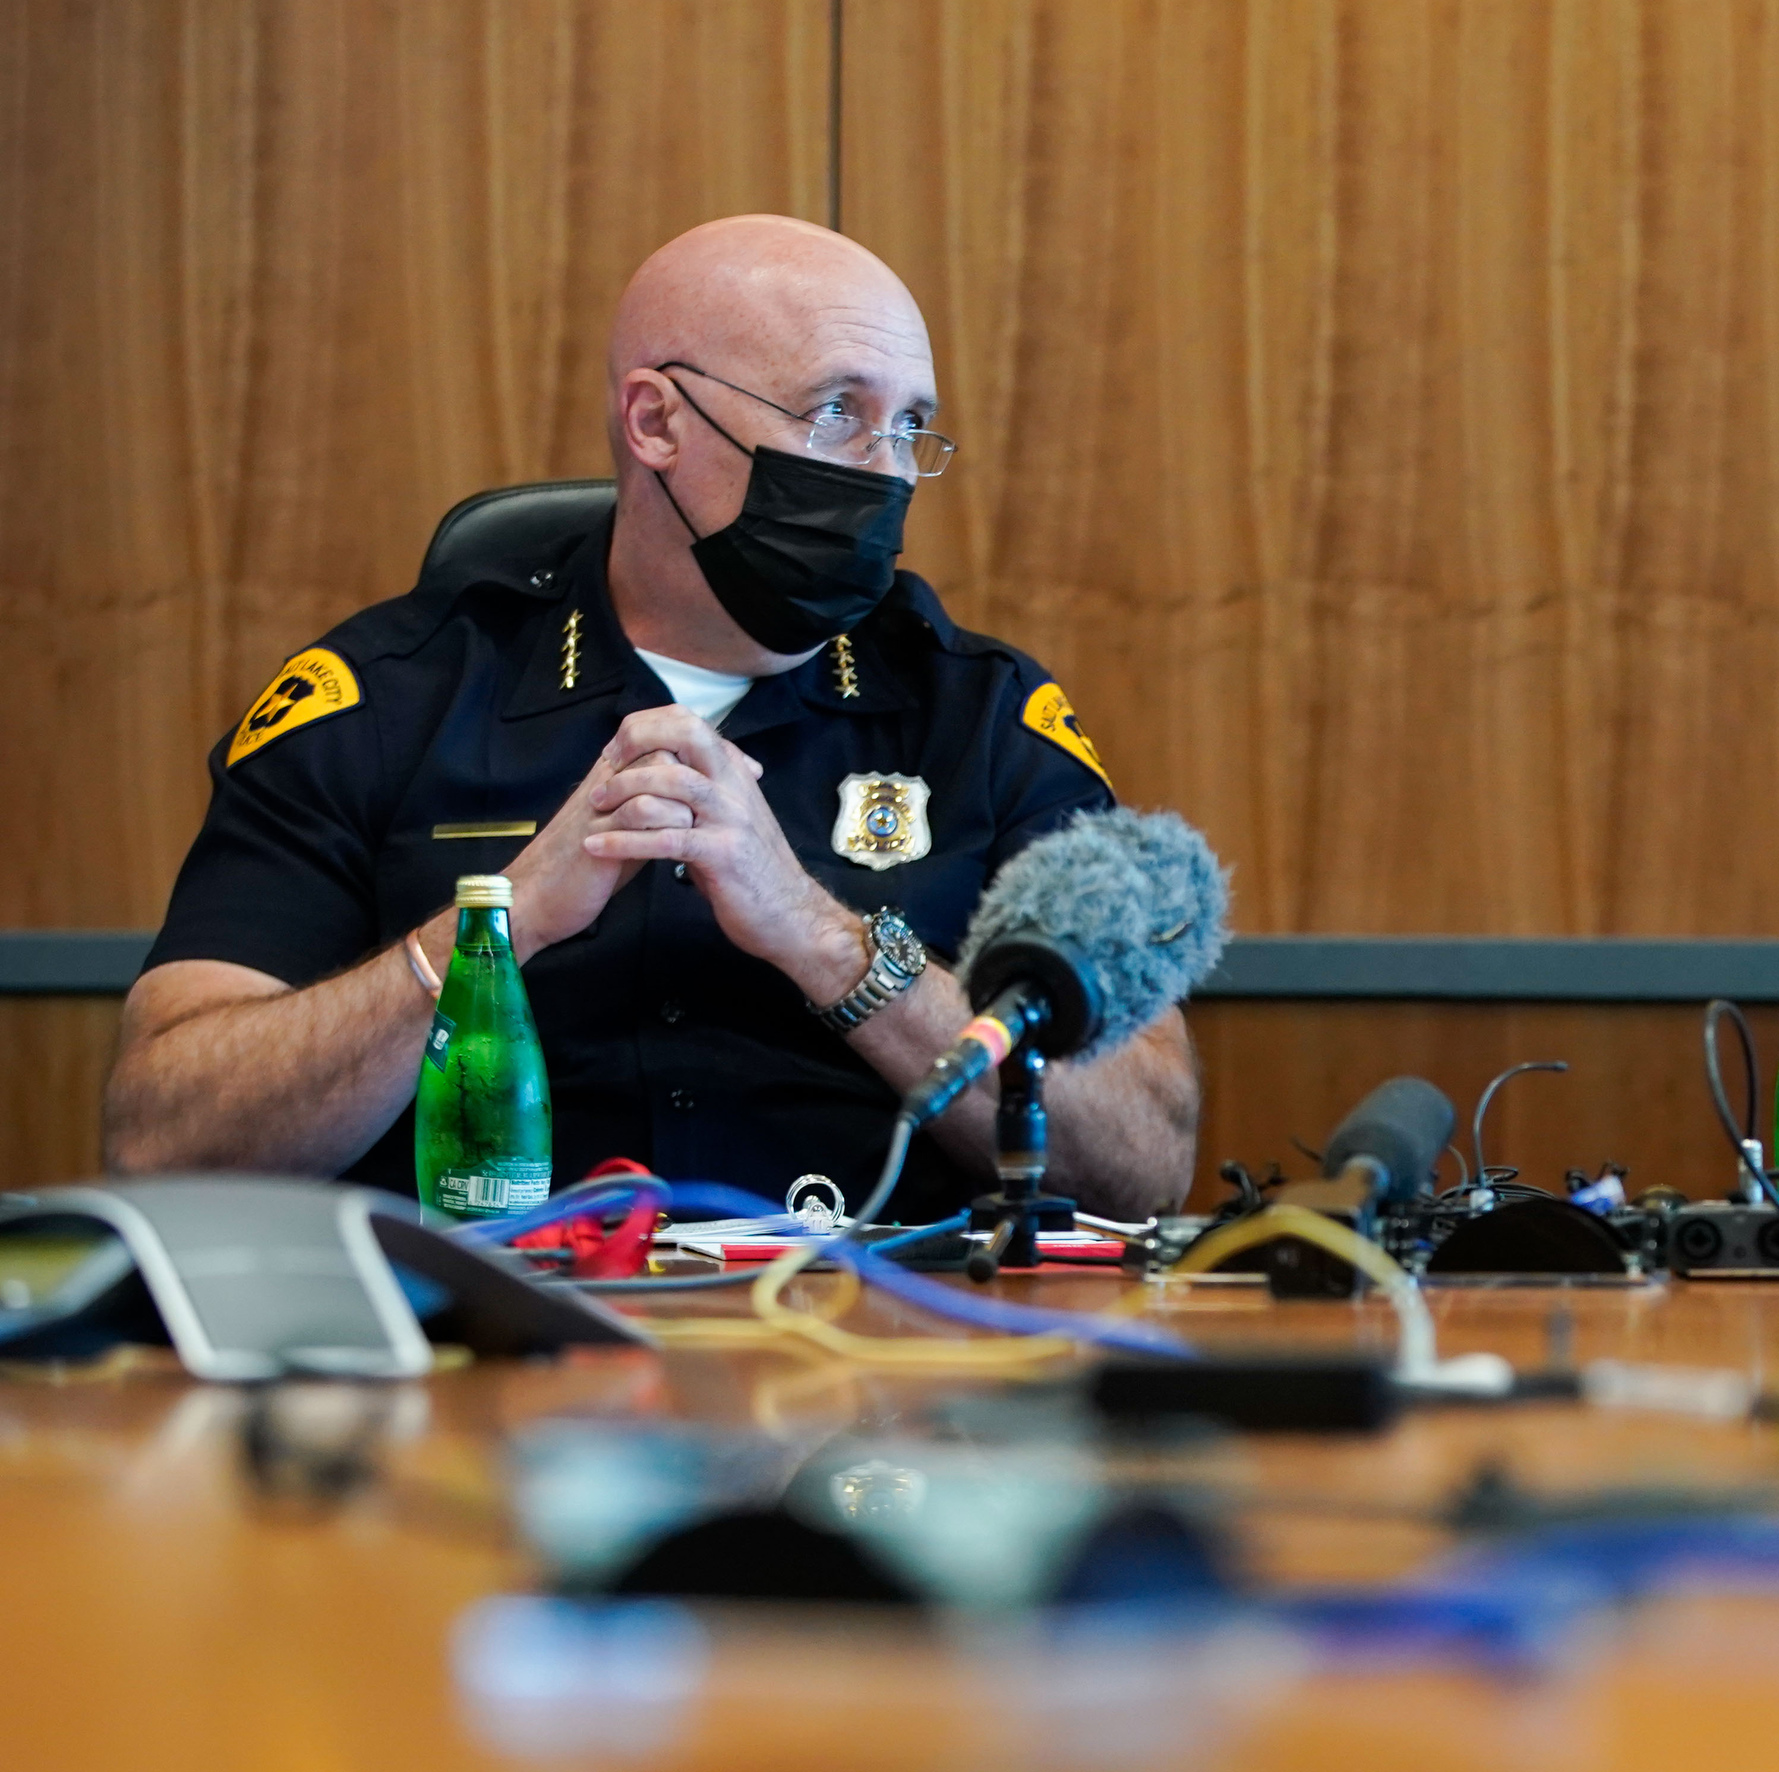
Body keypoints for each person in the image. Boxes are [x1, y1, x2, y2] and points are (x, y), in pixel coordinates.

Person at [106, 216, 1200, 1223]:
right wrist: (501, 926)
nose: (887, 473)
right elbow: (163, 1135)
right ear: (656, 420)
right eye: (836, 414)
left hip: (883, 1362)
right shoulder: (387, 699)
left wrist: (824, 942)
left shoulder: (982, 717)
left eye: (910, 426)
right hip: (477, 1369)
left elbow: (1145, 1150)